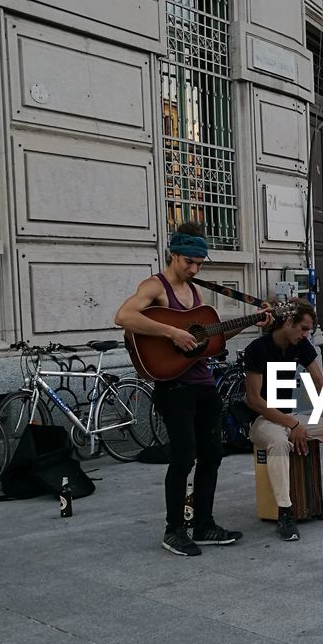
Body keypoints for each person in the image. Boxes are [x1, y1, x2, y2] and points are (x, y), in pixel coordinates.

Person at [115, 222, 268, 557]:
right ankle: (174, 530)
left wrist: (247, 322)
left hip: (202, 382)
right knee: (183, 457)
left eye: (200, 263)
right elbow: (124, 316)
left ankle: (203, 524)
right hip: (174, 386)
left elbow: (208, 343)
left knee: (212, 455)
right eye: (189, 262)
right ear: (174, 254)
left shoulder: (195, 291)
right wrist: (172, 334)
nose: (195, 269)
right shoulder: (154, 287)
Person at [244, 302, 323, 542]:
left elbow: (321, 385)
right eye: (303, 328)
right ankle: (285, 511)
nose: (306, 334)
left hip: (290, 419)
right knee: (279, 442)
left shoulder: (301, 346)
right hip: (262, 421)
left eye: (308, 330)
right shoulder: (257, 348)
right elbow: (254, 400)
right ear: (288, 322)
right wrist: (293, 424)